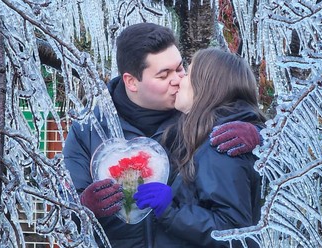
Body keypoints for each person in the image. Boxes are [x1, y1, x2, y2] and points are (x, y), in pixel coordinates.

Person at [62, 23, 261, 247]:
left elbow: (238, 112)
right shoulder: (88, 129)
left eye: (179, 68)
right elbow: (62, 209)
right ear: (131, 82)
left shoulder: (198, 117)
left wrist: (260, 138)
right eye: (164, 75)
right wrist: (83, 206)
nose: (177, 79)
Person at [133, 48, 266, 247]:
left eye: (188, 73)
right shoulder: (209, 136)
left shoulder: (223, 144)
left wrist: (171, 211)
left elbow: (233, 232)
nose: (179, 80)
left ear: (206, 86)